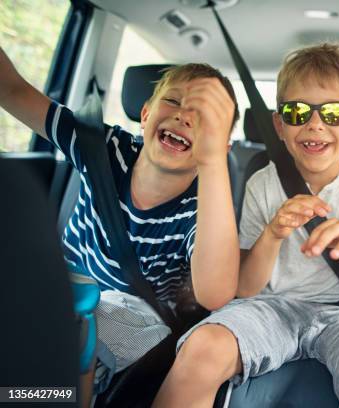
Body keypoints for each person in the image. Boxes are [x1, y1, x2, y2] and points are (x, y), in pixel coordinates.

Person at [153, 42, 339, 408]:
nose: (315, 124)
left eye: (334, 113)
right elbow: (245, 287)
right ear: (279, 125)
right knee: (203, 349)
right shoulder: (262, 182)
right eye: (297, 112)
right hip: (271, 307)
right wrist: (273, 234)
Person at [0, 49, 240, 400]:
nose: (184, 117)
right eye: (173, 101)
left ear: (219, 146)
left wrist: (214, 162)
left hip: (138, 319)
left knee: (80, 326)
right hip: (65, 285)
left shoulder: (203, 207)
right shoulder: (102, 146)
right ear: (145, 114)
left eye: (205, 119)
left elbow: (215, 292)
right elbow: (11, 90)